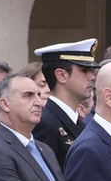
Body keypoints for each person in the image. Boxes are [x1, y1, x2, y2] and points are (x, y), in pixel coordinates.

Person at [33, 40, 97, 168]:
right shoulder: (45, 122)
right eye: (84, 70)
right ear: (61, 75)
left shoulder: (78, 123)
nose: (92, 76)